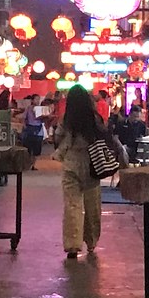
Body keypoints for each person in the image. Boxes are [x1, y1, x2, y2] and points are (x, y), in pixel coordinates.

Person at [52, 85, 124, 259]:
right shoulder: (95, 119)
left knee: (72, 205)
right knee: (92, 205)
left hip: (71, 163)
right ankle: (91, 242)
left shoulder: (66, 120)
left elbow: (58, 137)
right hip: (93, 163)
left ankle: (72, 245)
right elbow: (106, 136)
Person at [20, 94, 45, 169]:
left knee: (37, 148)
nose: (37, 101)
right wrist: (24, 126)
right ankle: (29, 164)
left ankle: (33, 165)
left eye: (38, 99)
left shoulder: (41, 109)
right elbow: (24, 118)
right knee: (29, 148)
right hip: (30, 128)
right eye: (36, 99)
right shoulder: (29, 108)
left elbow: (44, 119)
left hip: (38, 129)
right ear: (32, 100)